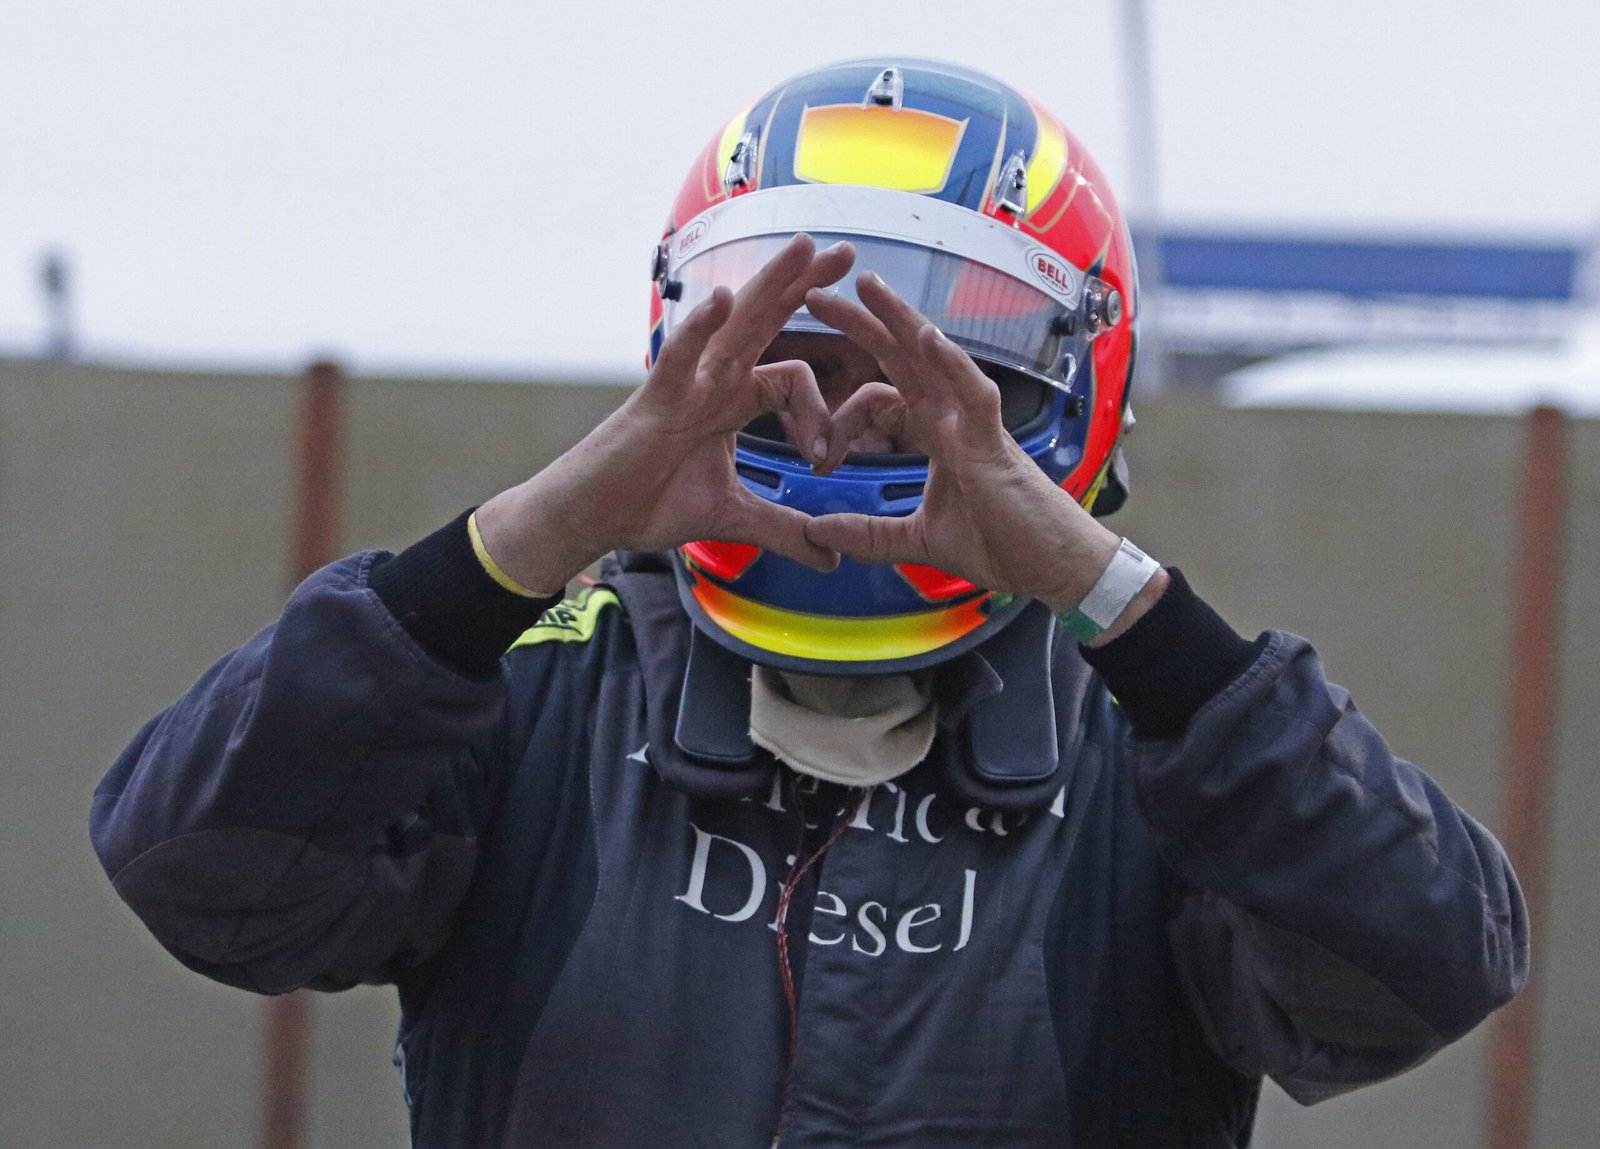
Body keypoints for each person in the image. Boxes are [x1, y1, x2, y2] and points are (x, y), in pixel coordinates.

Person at [91, 58, 1525, 1148]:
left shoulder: (1165, 750)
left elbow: (1424, 968)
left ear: (1070, 393)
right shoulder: (537, 691)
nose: (847, 431)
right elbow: (197, 867)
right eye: (794, 364)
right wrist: (537, 532)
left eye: (933, 380)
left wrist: (1126, 608)